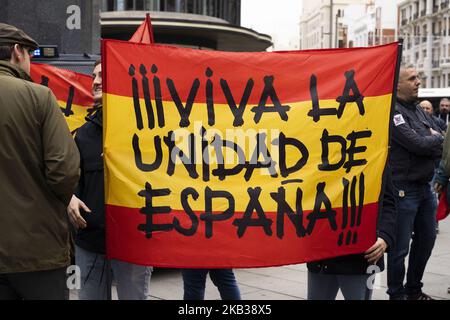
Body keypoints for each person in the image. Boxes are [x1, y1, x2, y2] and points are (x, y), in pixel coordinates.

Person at [0, 23, 80, 300]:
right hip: (37, 251)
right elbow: (64, 171)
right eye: (30, 54)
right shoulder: (39, 97)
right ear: (17, 51)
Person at [67, 60, 153, 300]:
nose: (94, 82)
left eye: (102, 76)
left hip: (133, 242)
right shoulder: (83, 134)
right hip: (90, 241)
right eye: (93, 76)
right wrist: (70, 197)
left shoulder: (145, 130)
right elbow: (73, 177)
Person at [387, 64, 444, 300]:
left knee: (427, 240)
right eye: (412, 78)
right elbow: (417, 144)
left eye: (418, 76)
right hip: (403, 189)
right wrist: (432, 138)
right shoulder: (394, 112)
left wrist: (432, 138)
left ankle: (414, 290)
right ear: (397, 84)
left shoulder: (419, 109)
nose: (418, 81)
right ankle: (396, 294)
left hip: (425, 188)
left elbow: (441, 137)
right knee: (399, 249)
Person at [307, 167, 396, 300]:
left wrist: (384, 237)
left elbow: (388, 203)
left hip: (360, 257)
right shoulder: (316, 154)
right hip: (322, 253)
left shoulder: (375, 153)